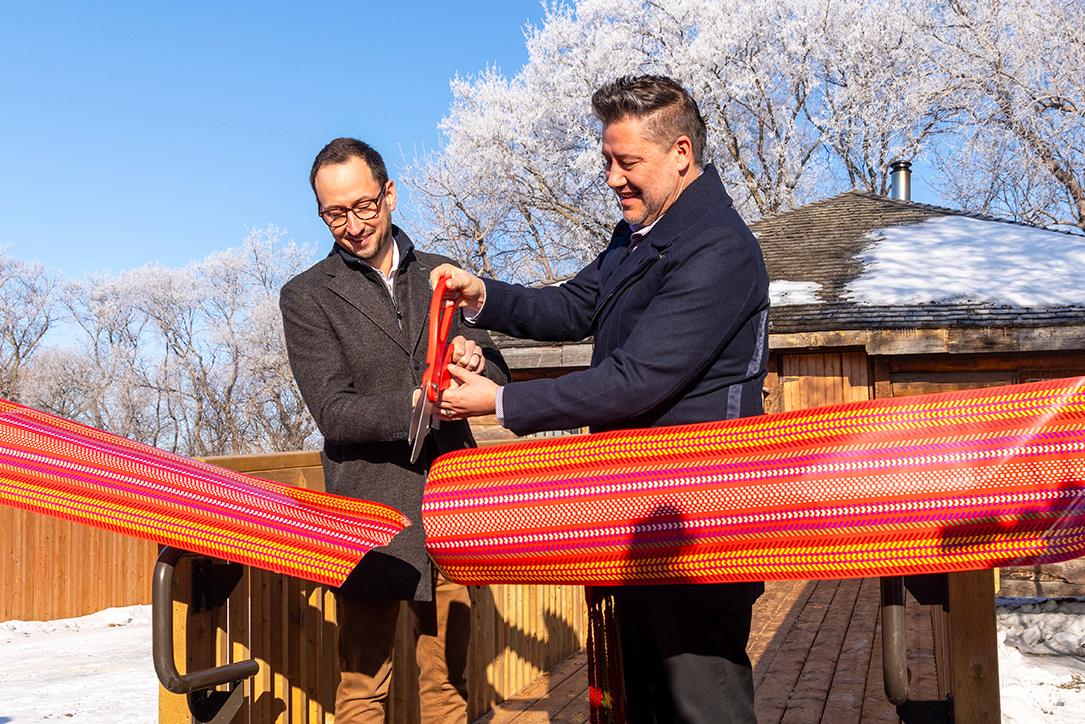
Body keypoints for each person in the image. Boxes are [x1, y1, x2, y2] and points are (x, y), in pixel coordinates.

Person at [430, 76, 769, 724]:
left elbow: (635, 379)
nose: (612, 177)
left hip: (699, 526)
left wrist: (501, 404)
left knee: (706, 710)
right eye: (606, 160)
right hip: (634, 515)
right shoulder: (641, 231)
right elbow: (579, 303)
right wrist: (485, 297)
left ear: (678, 152)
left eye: (626, 162)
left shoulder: (718, 250)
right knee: (636, 702)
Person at [279, 137, 510, 724]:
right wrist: (415, 401)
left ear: (390, 194)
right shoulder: (305, 295)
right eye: (335, 213)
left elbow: (498, 367)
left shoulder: (441, 274)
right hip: (368, 514)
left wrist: (476, 361)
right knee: (361, 690)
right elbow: (333, 412)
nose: (353, 225)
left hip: (454, 507)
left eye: (364, 207)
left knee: (450, 689)